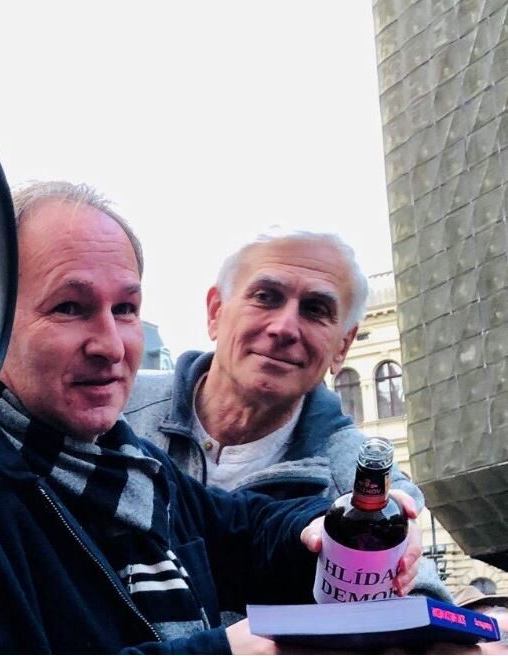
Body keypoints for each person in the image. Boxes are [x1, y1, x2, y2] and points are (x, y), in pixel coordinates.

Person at [0, 181, 423, 653]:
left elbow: (249, 531)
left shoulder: (130, 465)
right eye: (71, 307)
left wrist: (342, 524)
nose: (112, 344)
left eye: (126, 308)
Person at [122, 227, 448, 602]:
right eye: (265, 297)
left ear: (342, 346)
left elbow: (420, 611)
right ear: (215, 312)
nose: (284, 328)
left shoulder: (359, 481)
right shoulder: (113, 411)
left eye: (315, 310)